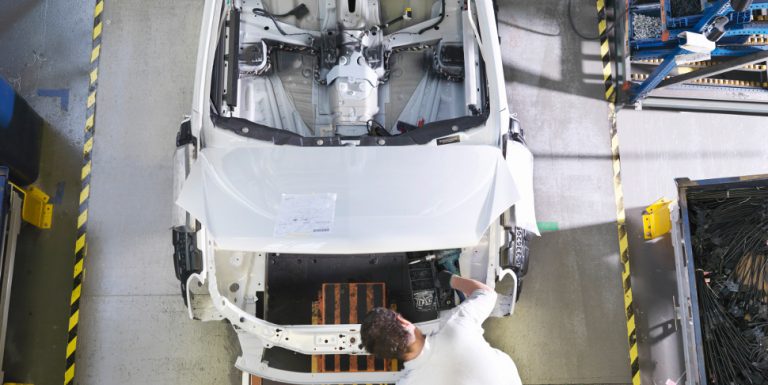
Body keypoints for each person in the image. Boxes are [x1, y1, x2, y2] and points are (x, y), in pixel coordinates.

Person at [360, 271, 522, 385]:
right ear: (403, 322)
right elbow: (487, 294)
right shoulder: (456, 326)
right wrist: (450, 279)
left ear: (389, 357)